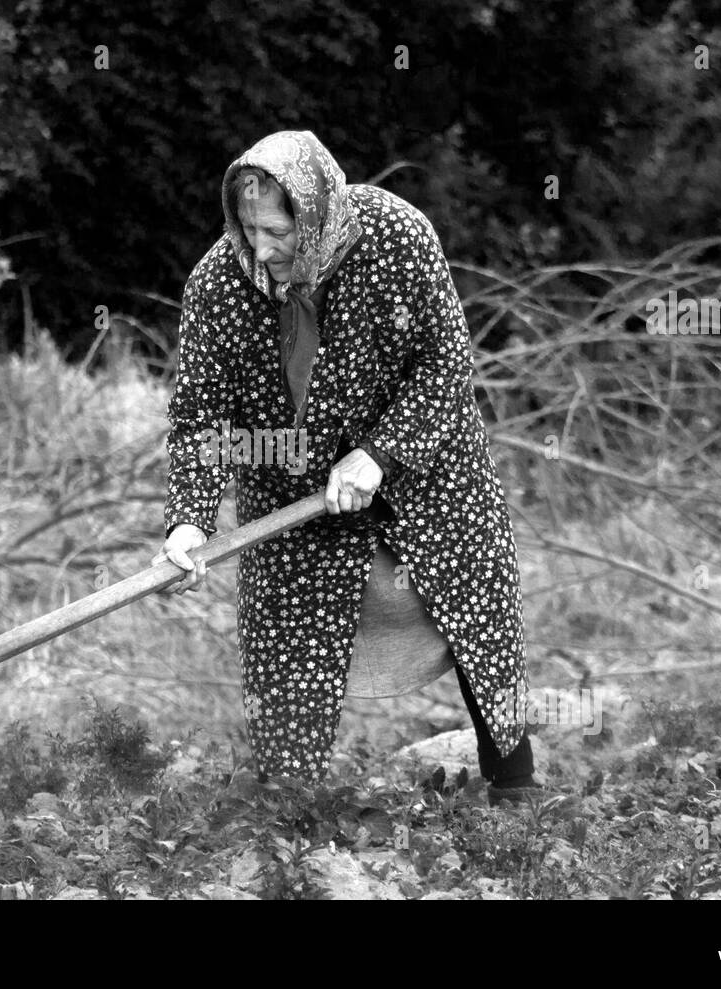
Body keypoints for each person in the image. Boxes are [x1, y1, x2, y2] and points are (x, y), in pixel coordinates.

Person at [153, 130, 538, 805]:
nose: (261, 248)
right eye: (247, 227)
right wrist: (187, 522)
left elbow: (446, 362)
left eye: (275, 229)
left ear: (316, 212)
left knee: (479, 606)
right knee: (288, 650)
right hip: (293, 492)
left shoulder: (399, 238)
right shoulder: (218, 285)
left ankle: (516, 787)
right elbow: (199, 422)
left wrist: (380, 454)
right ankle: (292, 819)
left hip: (426, 467)